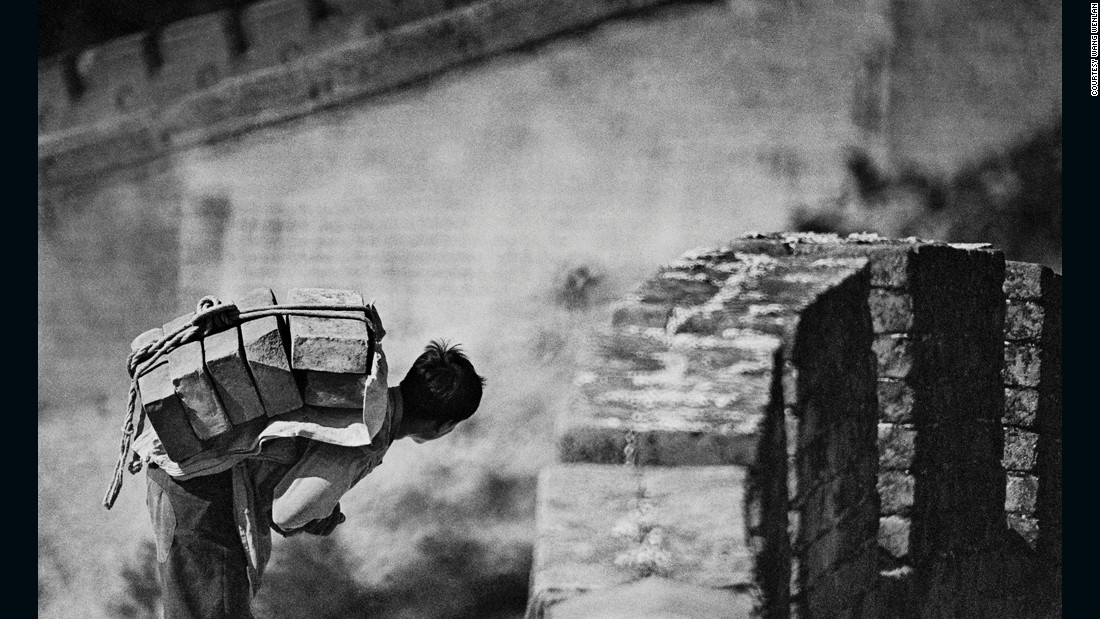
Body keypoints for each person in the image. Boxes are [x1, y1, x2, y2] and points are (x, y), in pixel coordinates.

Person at [142, 340, 485, 618]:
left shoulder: (363, 392)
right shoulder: (366, 435)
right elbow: (287, 513)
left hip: (189, 475)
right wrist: (321, 513)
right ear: (443, 426)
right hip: (201, 494)